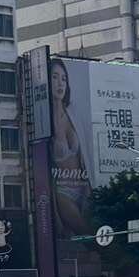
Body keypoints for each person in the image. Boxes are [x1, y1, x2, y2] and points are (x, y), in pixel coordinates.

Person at [49, 58, 93, 238]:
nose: (60, 83)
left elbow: (86, 152)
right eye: (54, 77)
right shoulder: (43, 120)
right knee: (89, 235)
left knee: (96, 235)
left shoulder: (73, 112)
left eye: (63, 78)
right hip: (62, 193)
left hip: (84, 187)